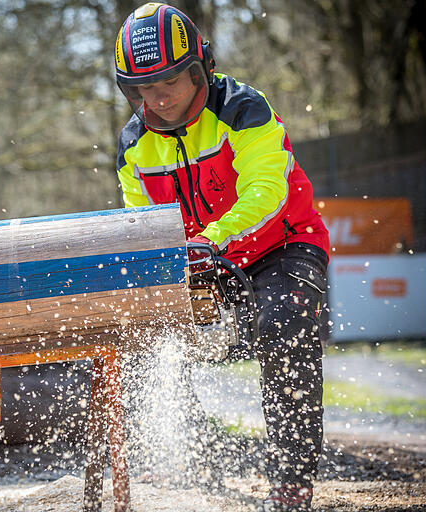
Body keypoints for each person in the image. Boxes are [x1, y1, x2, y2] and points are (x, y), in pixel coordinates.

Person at [114, 3, 331, 511]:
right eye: (144, 88)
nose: (158, 98)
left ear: (199, 71)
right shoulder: (132, 146)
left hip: (282, 243)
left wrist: (214, 238)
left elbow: (266, 190)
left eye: (168, 82)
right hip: (200, 258)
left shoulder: (243, 109)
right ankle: (187, 454)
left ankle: (292, 478)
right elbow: (143, 224)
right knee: (146, 328)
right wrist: (170, 261)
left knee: (285, 325)